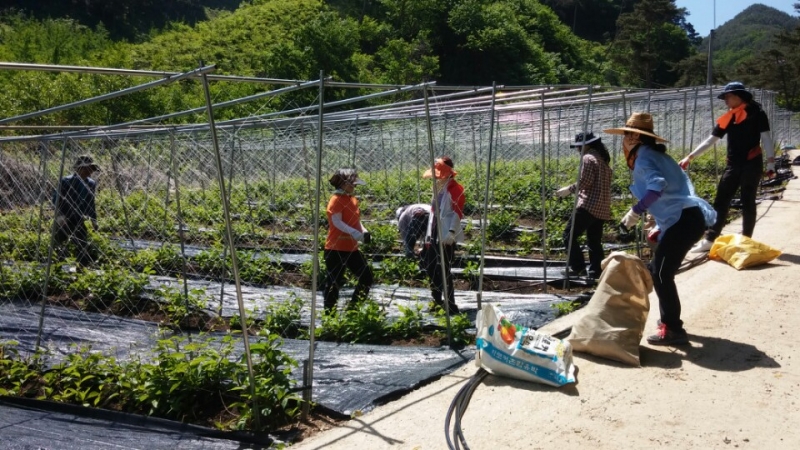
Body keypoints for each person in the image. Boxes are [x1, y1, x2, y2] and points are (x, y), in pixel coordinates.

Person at [605, 112, 716, 345]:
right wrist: (658, 222)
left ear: (635, 137)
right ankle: (669, 321)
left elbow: (657, 186)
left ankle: (673, 329)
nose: (623, 142)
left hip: (683, 221)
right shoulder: (658, 155)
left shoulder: (644, 158)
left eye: (626, 136)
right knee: (660, 269)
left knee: (662, 273)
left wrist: (636, 211)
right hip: (684, 218)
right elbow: (673, 193)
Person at [678, 82, 775, 253]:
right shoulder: (730, 117)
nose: (726, 101)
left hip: (752, 162)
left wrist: (771, 163)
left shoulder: (757, 114)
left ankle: (746, 240)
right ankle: (710, 238)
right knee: (721, 200)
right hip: (733, 164)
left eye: (728, 97)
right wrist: (690, 156)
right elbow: (712, 139)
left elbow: (766, 138)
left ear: (739, 96)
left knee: (748, 201)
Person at [555, 131, 613, 279]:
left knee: (569, 235)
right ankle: (596, 271)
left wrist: (568, 190)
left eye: (579, 146)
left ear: (587, 145)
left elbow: (585, 181)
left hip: (589, 205)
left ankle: (577, 268)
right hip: (602, 208)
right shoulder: (602, 160)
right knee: (594, 241)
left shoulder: (588, 158)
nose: (577, 149)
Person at [323, 168, 374, 313]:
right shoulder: (336, 200)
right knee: (334, 282)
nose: (354, 187)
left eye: (355, 184)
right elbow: (336, 222)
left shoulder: (352, 199)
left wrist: (363, 231)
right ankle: (329, 315)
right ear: (342, 183)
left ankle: (353, 309)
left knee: (367, 278)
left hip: (351, 248)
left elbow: (355, 221)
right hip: (335, 248)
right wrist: (354, 233)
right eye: (352, 184)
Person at [421, 156, 465, 315]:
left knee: (444, 269)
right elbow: (433, 213)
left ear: (448, 174)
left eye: (439, 175)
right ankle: (436, 299)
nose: (436, 178)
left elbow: (457, 213)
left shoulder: (455, 189)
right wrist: (427, 237)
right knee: (430, 266)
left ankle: (451, 304)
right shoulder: (439, 189)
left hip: (446, 233)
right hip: (433, 231)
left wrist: (452, 232)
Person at [53, 155, 100, 267]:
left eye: (91, 169)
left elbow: (90, 203)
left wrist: (94, 220)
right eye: (88, 168)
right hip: (64, 217)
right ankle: (57, 266)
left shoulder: (91, 183)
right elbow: (56, 199)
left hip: (79, 218)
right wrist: (60, 216)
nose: (90, 172)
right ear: (79, 168)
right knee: (58, 243)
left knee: (82, 244)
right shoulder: (66, 181)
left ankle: (80, 269)